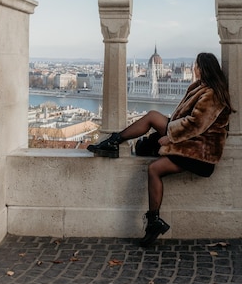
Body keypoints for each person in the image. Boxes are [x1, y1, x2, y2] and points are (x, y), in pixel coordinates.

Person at [88, 52, 234, 247]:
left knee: (154, 168)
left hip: (199, 152)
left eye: (196, 65)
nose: (193, 68)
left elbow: (196, 123)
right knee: (152, 116)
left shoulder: (212, 94)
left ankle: (153, 220)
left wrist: (170, 136)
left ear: (204, 68)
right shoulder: (203, 88)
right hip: (192, 142)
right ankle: (115, 140)